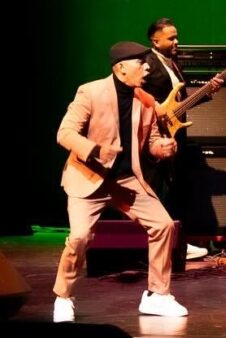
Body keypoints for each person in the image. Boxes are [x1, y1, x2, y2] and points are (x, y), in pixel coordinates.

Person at [51, 41, 187, 323]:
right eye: (141, 63)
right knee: (79, 237)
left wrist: (161, 148)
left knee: (163, 225)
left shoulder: (146, 100)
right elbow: (65, 133)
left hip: (126, 180)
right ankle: (63, 297)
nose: (147, 68)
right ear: (121, 68)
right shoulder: (90, 92)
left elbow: (150, 142)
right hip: (88, 177)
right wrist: (95, 150)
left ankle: (157, 295)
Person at [141, 17, 223, 261]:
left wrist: (208, 92)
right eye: (171, 38)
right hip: (155, 136)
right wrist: (156, 108)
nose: (177, 41)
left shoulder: (173, 64)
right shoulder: (147, 62)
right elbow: (135, 91)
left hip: (175, 134)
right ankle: (153, 245)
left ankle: (176, 244)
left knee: (176, 190)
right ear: (155, 40)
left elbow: (180, 104)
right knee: (156, 189)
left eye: (177, 36)